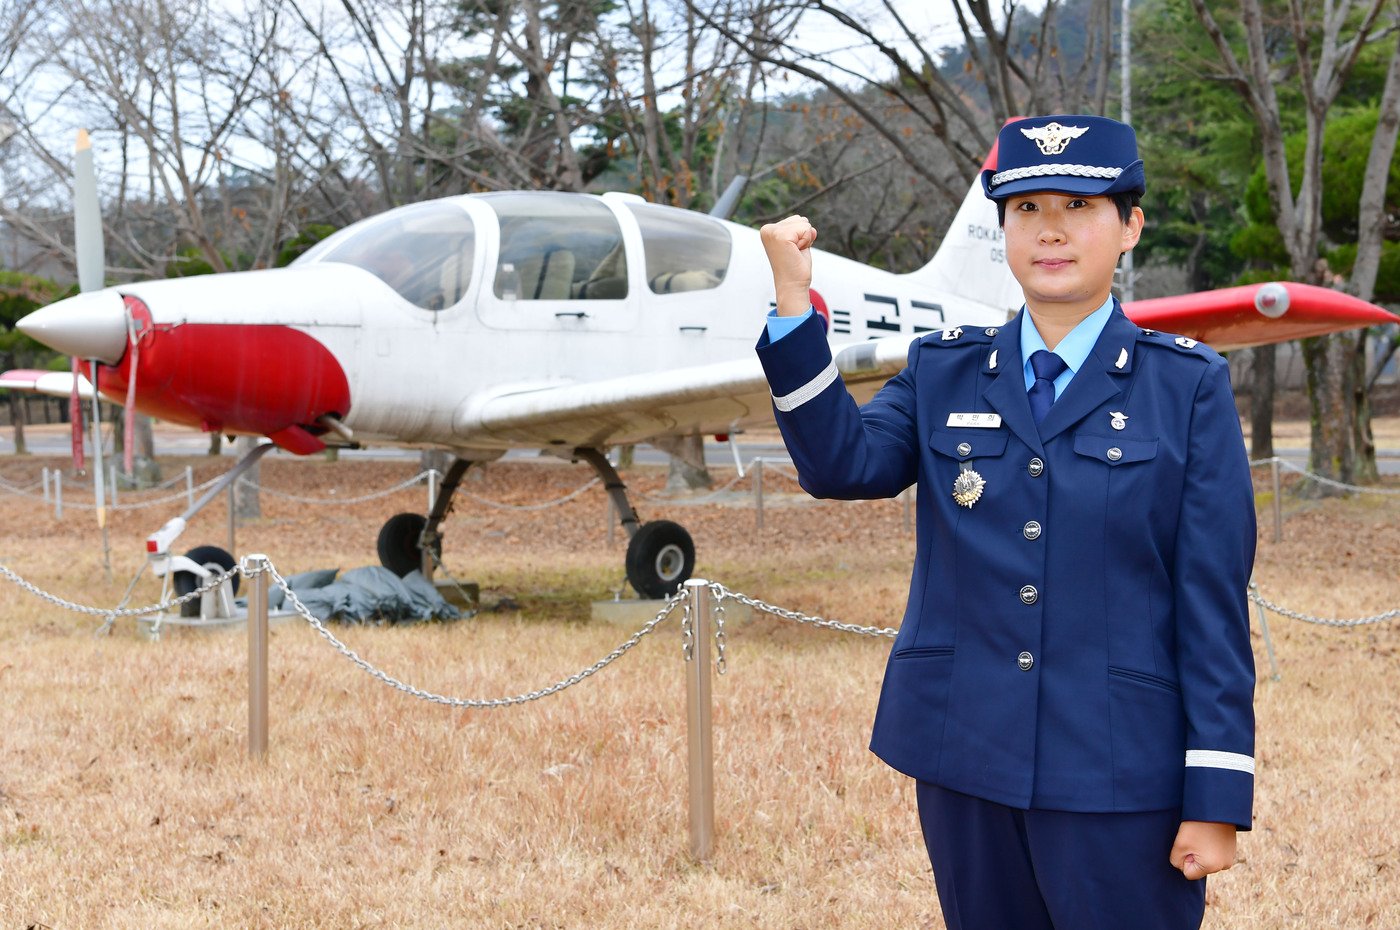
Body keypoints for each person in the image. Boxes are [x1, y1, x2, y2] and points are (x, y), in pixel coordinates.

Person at [754, 115, 1256, 930]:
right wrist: (790, 307)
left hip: (1121, 770)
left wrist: (1217, 794)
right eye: (1025, 209)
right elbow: (842, 466)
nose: (1050, 229)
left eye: (1079, 206)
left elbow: (1212, 604)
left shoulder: (1186, 387)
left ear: (1130, 226)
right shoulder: (945, 370)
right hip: (965, 758)